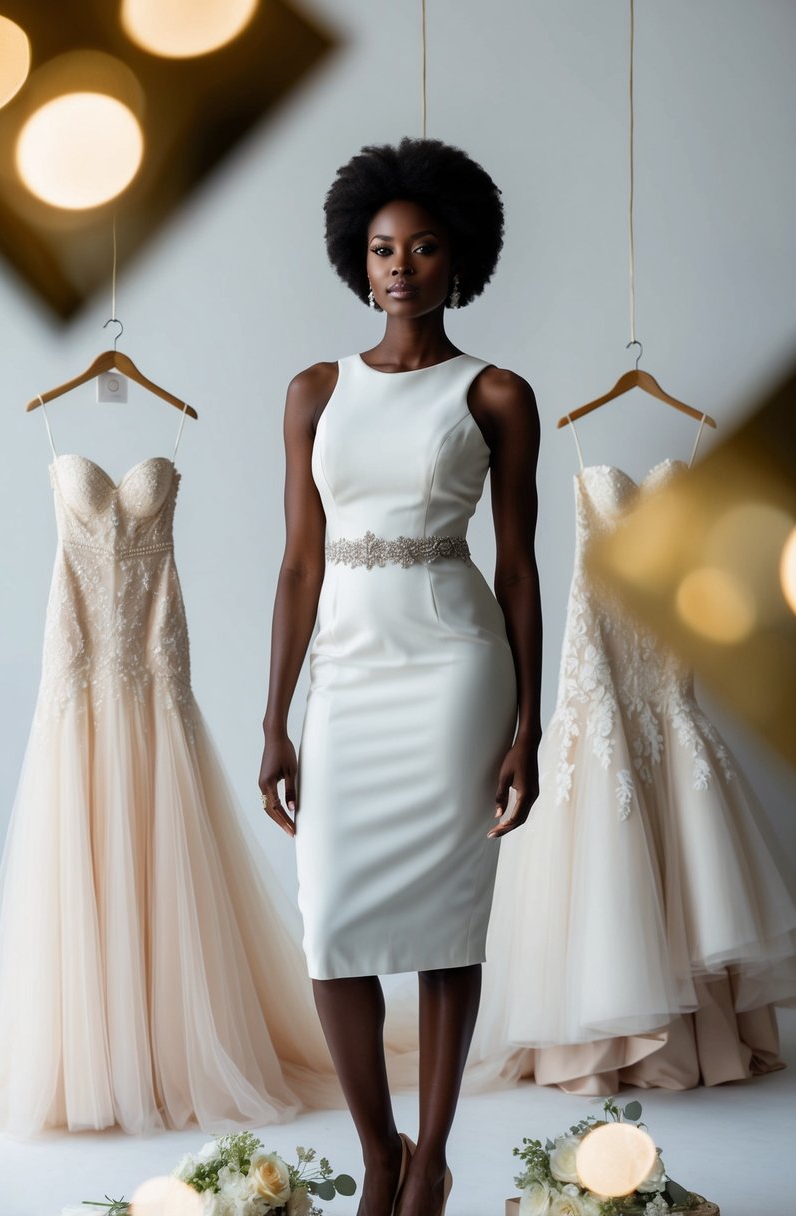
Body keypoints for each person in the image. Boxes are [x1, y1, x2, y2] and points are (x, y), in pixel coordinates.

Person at [258, 136, 542, 1216]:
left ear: (458, 258)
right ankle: (378, 1150)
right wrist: (275, 721)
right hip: (348, 670)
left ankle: (429, 1160)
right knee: (331, 919)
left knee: (445, 921)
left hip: (454, 669)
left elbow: (517, 568)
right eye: (382, 248)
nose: (400, 267)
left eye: (424, 248)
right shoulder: (312, 391)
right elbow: (296, 563)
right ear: (355, 257)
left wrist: (528, 723)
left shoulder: (497, 394)